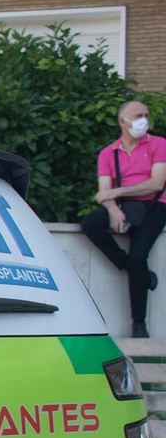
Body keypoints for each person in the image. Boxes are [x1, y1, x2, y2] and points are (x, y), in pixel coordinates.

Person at [79, 99, 166, 337]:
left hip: (155, 206)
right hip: (124, 207)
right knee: (90, 224)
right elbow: (103, 191)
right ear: (123, 121)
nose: (144, 120)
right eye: (138, 115)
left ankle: (139, 324)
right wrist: (113, 208)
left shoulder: (159, 145)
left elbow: (157, 183)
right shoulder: (108, 153)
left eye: (146, 115)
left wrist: (115, 194)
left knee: (139, 256)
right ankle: (132, 268)